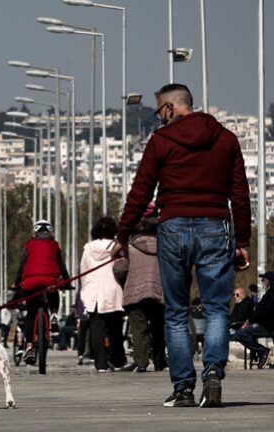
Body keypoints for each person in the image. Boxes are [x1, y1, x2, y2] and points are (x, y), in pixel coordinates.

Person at [113, 84, 251, 408]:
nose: (159, 119)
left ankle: (184, 389)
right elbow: (240, 194)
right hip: (216, 226)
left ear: (171, 108)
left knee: (175, 311)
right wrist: (242, 240)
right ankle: (214, 372)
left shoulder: (161, 141)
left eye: (160, 111)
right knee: (217, 307)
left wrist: (123, 235)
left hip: (172, 227)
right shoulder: (227, 139)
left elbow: (141, 192)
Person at [112, 204, 167, 373]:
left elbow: (120, 269)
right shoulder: (164, 244)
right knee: (158, 327)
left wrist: (117, 264)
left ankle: (141, 362)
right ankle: (160, 361)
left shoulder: (130, 246)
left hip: (135, 292)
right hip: (158, 291)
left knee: (139, 326)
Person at [12, 219, 69, 365]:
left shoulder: (29, 245)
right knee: (53, 292)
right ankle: (54, 315)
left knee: (31, 314)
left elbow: (22, 264)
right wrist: (67, 281)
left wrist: (16, 283)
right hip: (50, 280)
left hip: (30, 282)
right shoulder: (54, 245)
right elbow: (61, 265)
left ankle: (29, 346)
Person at [80, 216, 125, 373]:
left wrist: (85, 290)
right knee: (115, 329)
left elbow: (84, 271)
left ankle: (100, 363)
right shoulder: (117, 247)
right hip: (113, 290)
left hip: (94, 291)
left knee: (96, 328)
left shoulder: (88, 248)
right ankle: (118, 360)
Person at [232, 272, 274, 369]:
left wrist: (250, 321)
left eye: (264, 280)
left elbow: (266, 311)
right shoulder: (268, 294)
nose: (262, 283)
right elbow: (259, 309)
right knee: (241, 333)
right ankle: (261, 352)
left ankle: (262, 351)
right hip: (264, 323)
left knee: (239, 334)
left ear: (269, 282)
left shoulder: (271, 295)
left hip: (268, 325)